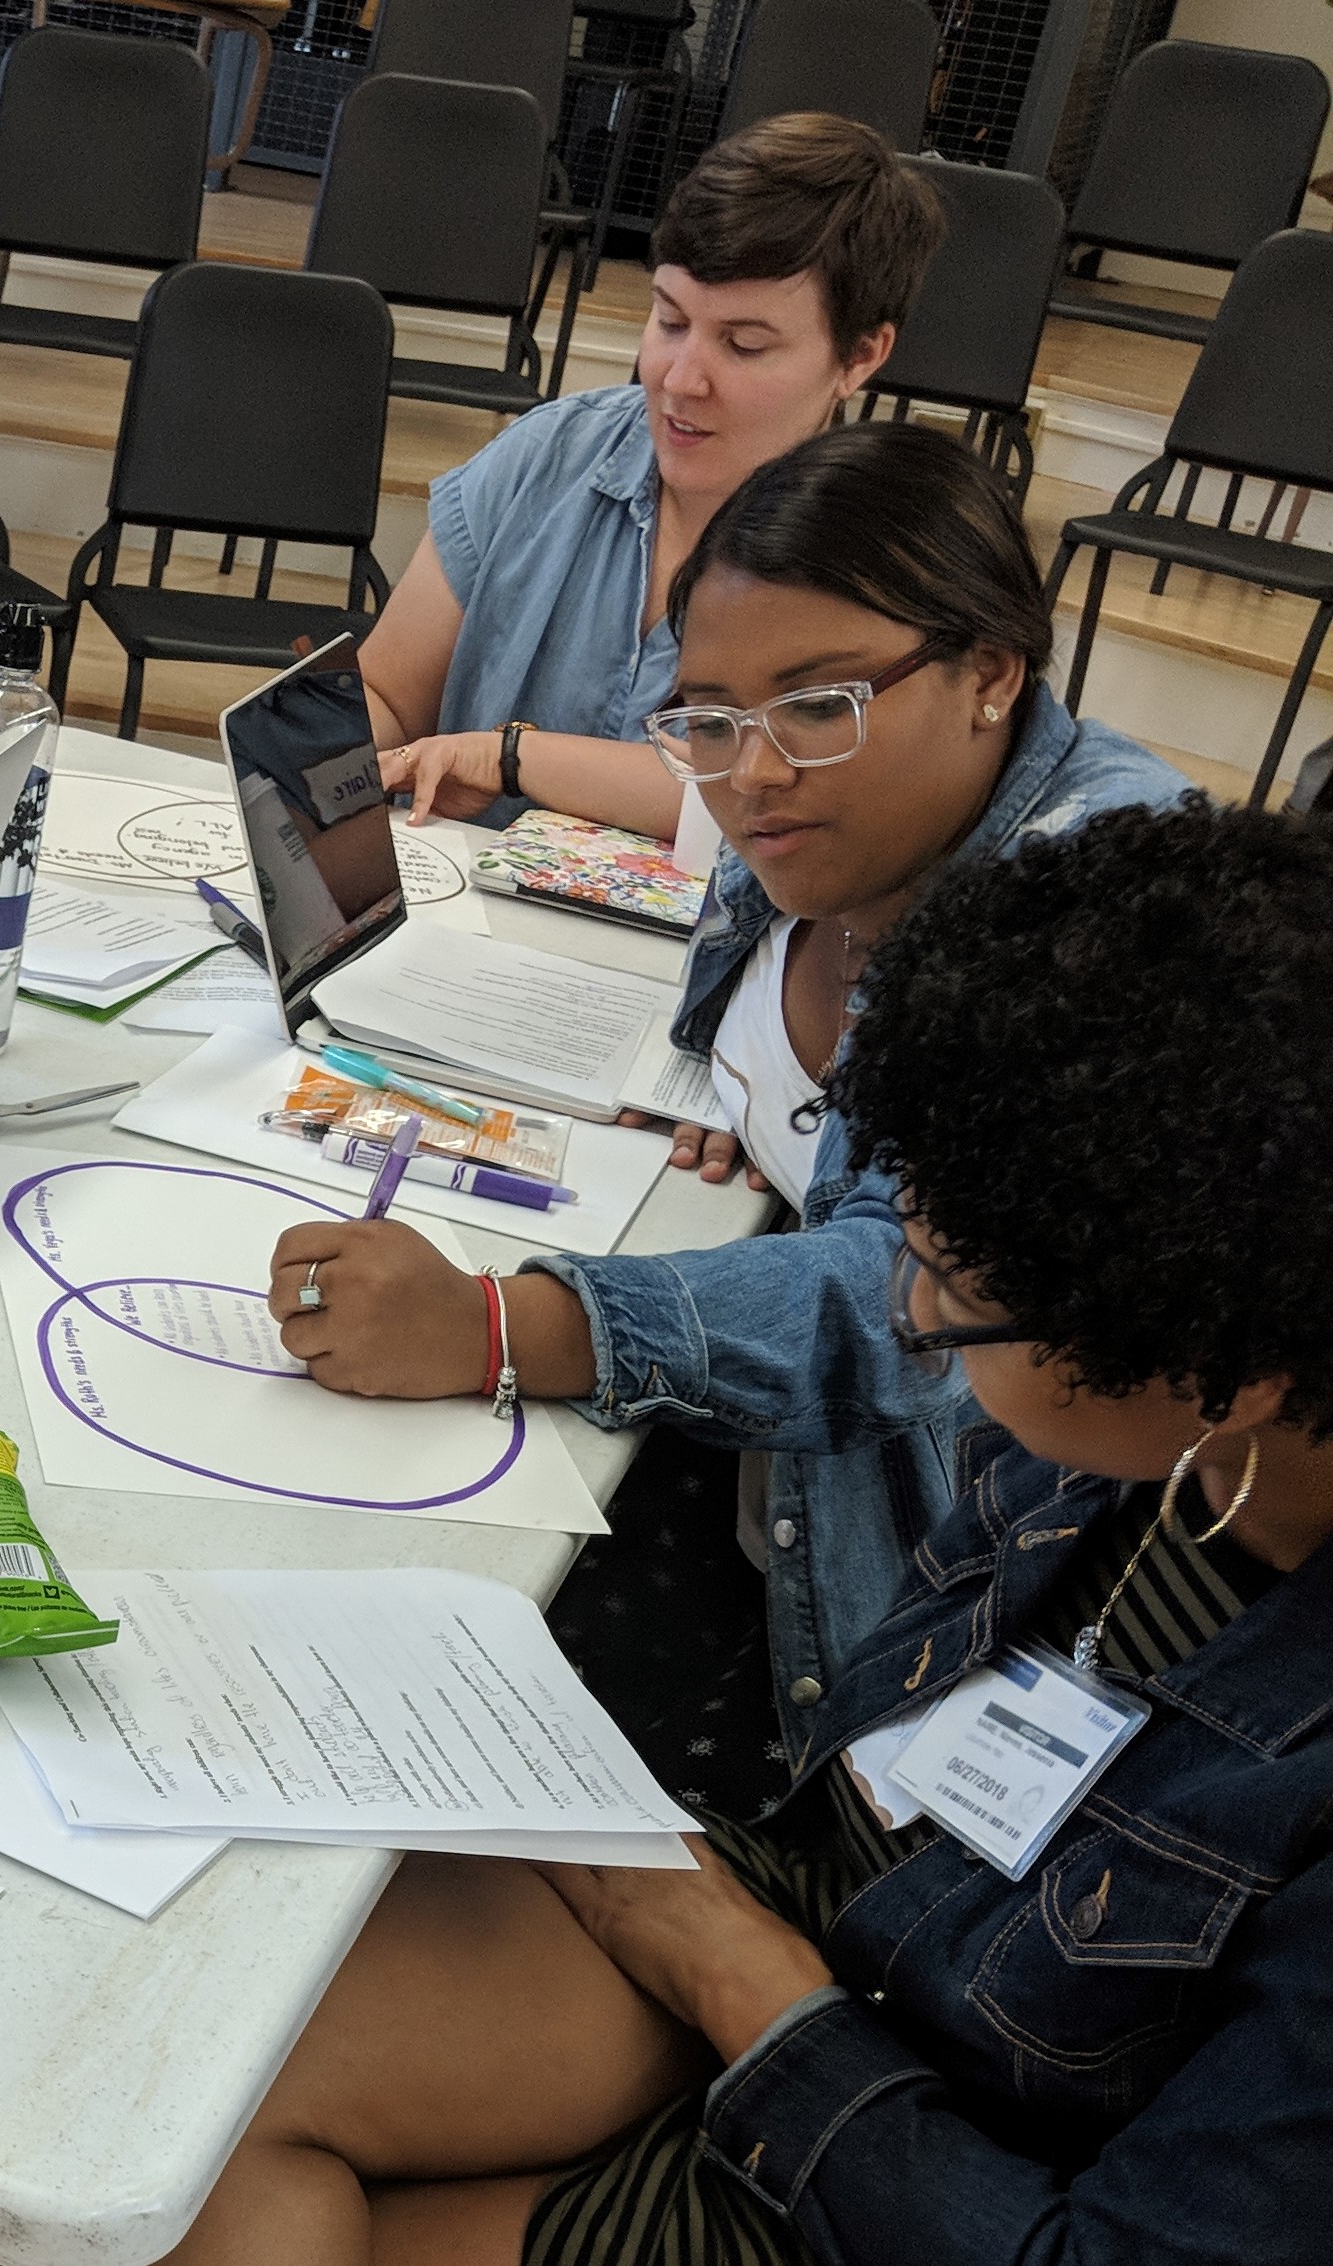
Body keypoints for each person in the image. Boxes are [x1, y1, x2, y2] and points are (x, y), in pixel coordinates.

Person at [176, 799, 1333, 2266]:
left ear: (1222, 1364)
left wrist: (734, 1977)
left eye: (949, 1286)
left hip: (933, 2163)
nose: (909, 1310)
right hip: (829, 1921)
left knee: (221, 2209)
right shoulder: (1163, 1429)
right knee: (197, 2097)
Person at [265, 423, 1187, 1756]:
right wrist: (748, 1096)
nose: (749, 773)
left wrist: (499, 1326)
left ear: (989, 670)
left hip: (886, 1607)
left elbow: (912, 1313)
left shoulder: (1084, 916)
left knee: (368, 1707)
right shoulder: (829, 810)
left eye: (819, 703)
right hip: (746, 1458)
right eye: (707, 718)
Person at [365, 113, 943, 838]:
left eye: (743, 345)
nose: (679, 379)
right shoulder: (550, 456)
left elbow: (756, 802)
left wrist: (512, 759)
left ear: (860, 357)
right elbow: (387, 693)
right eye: (669, 322)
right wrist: (323, 758)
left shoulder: (884, 557)